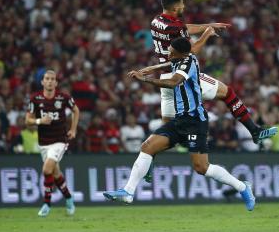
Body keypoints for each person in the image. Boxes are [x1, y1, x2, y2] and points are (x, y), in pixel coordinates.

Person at [103, 37, 256, 211]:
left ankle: (242, 187)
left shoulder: (187, 64)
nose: (168, 51)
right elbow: (175, 59)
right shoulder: (179, 58)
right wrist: (150, 68)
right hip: (179, 120)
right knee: (147, 146)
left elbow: (173, 82)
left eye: (171, 50)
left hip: (195, 121)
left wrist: (145, 79)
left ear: (179, 53)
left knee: (201, 167)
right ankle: (128, 192)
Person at [141, 0, 278, 181]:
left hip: (165, 79)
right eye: (181, 4)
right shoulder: (176, 27)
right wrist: (207, 34)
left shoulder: (157, 21)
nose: (184, 6)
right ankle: (254, 130)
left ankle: (148, 164)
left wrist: (208, 25)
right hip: (182, 74)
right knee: (227, 92)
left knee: (166, 130)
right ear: (174, 7)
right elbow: (190, 51)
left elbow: (184, 28)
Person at [25, 70, 80, 217]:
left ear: (56, 83)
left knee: (46, 169)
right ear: (42, 82)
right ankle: (69, 198)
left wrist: (73, 129)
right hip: (43, 143)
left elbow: (76, 110)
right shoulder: (35, 99)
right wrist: (39, 121)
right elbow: (27, 120)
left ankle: (46, 204)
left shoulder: (63, 98)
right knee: (55, 173)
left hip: (60, 140)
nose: (49, 81)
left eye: (52, 79)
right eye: (47, 79)